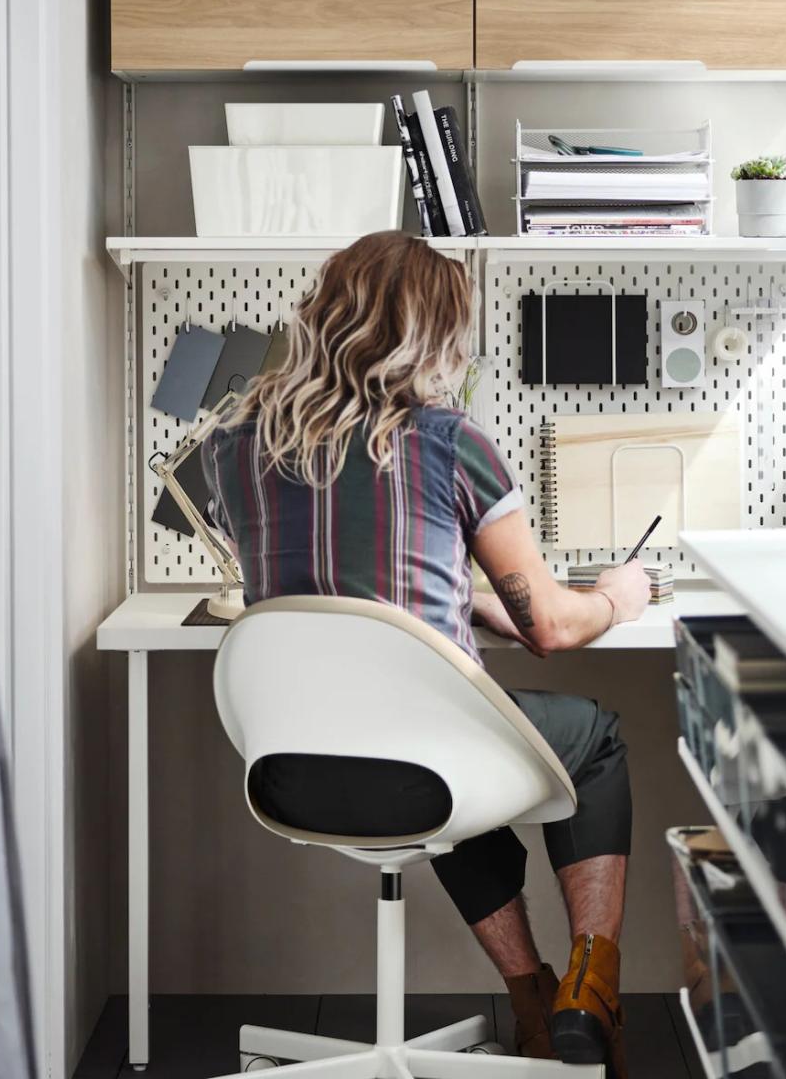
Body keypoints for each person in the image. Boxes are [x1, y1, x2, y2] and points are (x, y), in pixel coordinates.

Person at [202, 233, 649, 1077]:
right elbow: (553, 629)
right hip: (418, 760)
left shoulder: (234, 444)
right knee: (588, 740)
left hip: (292, 769)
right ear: (430, 333)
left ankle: (529, 1003)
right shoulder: (447, 439)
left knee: (452, 754)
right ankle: (589, 992)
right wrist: (617, 599)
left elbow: (335, 593)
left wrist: (466, 603)